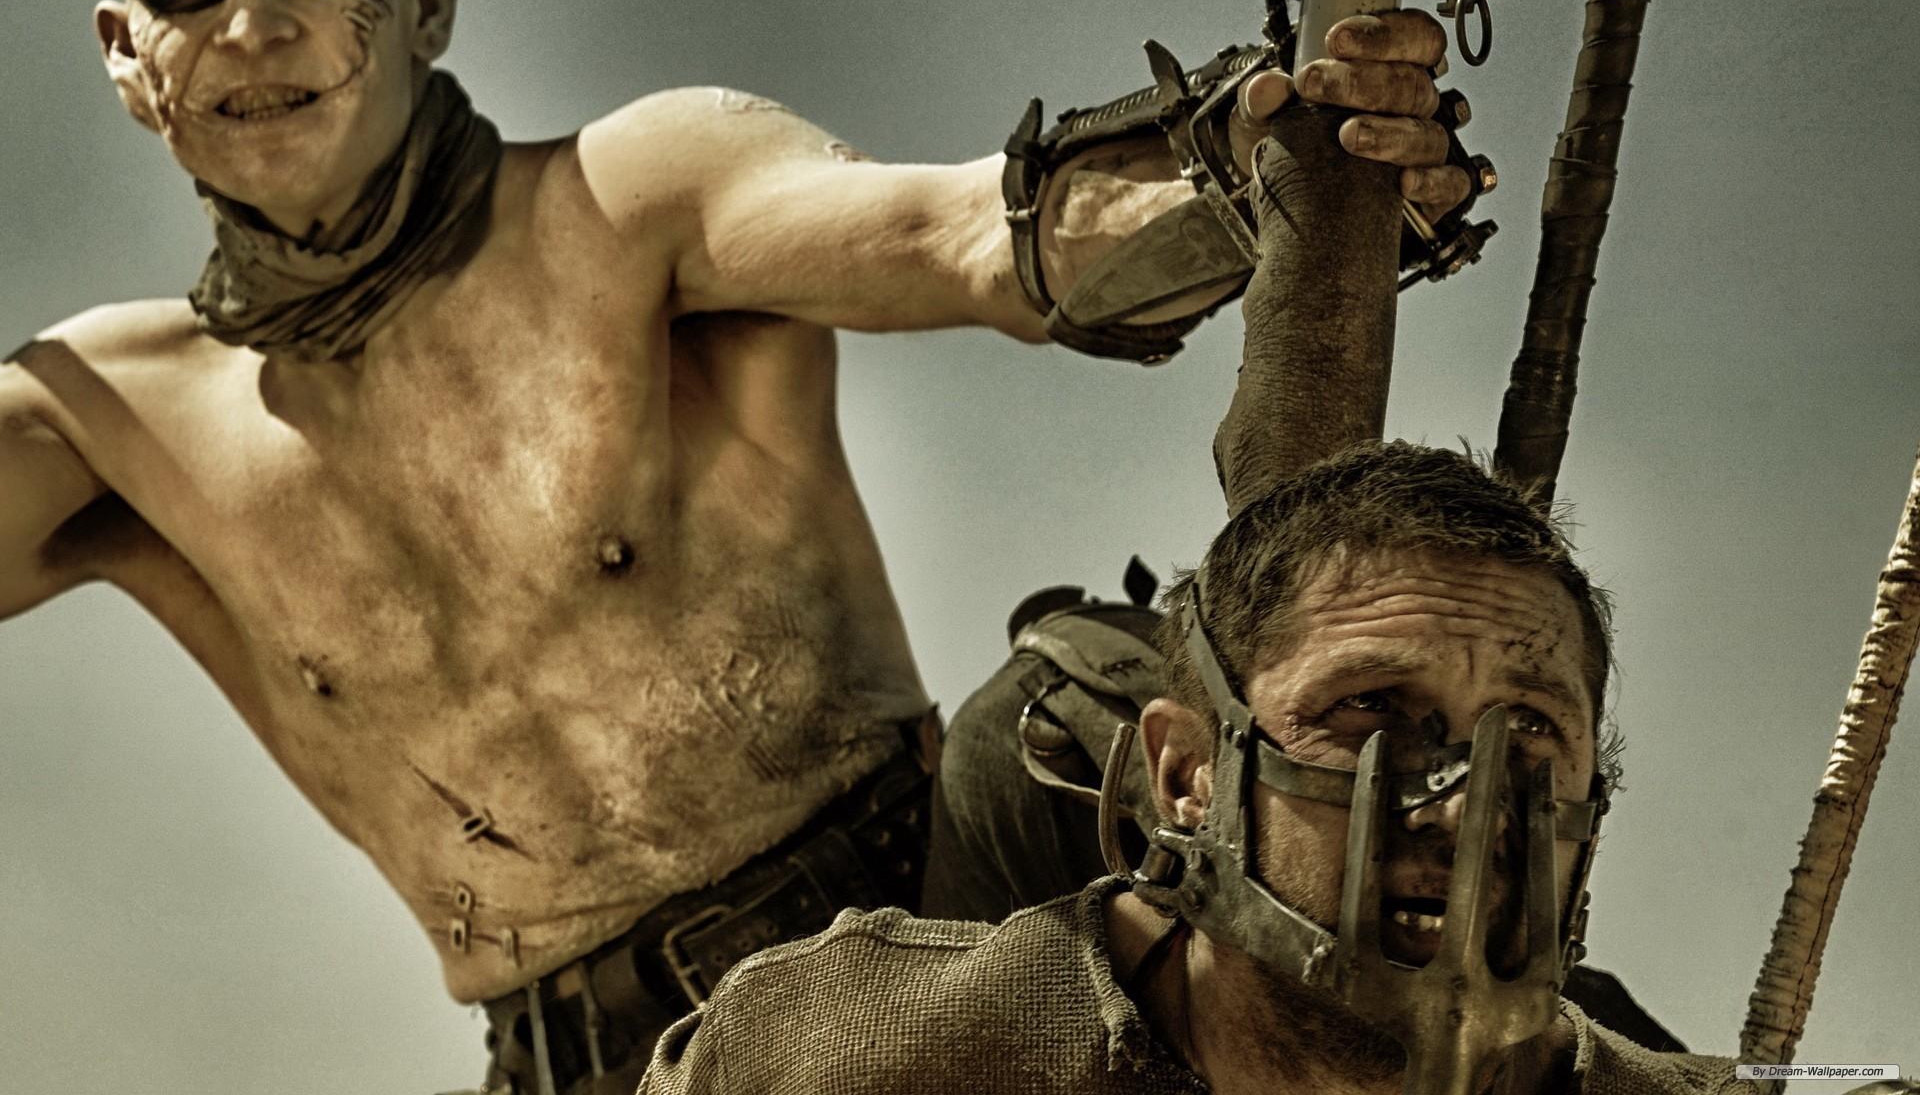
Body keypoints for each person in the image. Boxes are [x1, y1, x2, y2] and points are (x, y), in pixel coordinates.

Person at [0, 0, 1471, 1089]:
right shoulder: (105, 419)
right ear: (128, 51)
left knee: (1090, 708)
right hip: (588, 1062)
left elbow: (964, 234)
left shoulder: (627, 205)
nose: (251, 25)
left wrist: (1275, 178)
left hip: (915, 932)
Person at [639, 442, 1741, 1094]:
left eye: (1532, 728)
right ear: (1184, 776)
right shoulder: (837, 1059)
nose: (1459, 805)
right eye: (1368, 709)